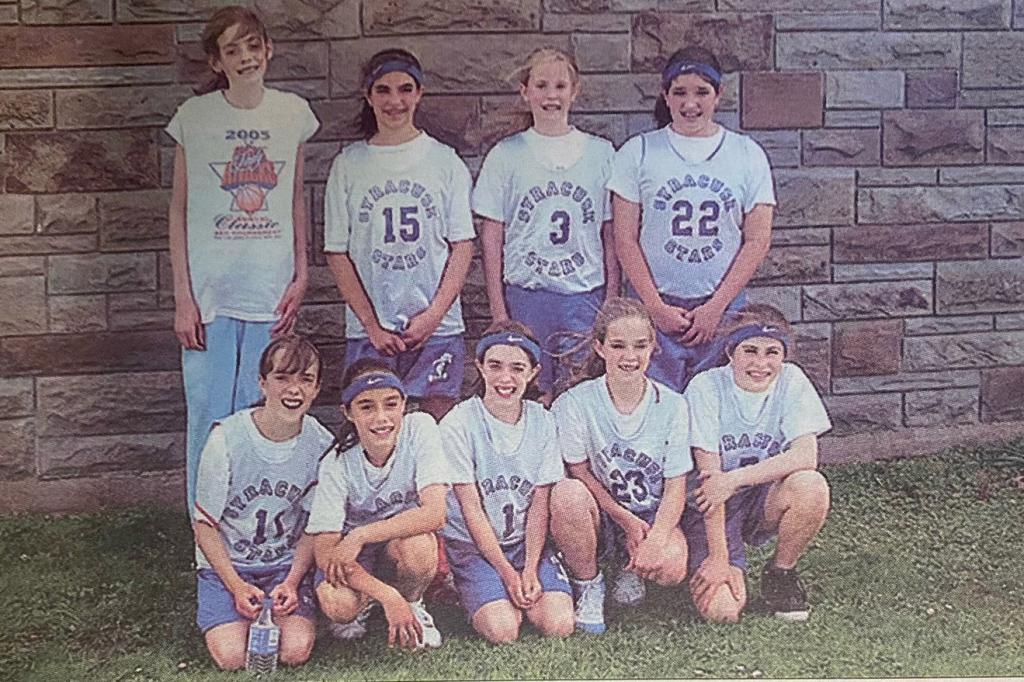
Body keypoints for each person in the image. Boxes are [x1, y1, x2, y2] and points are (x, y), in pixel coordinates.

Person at [167, 5, 319, 513]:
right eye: (232, 50)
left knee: (264, 412)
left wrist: (302, 272)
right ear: (217, 61)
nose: (246, 57)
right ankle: (205, 532)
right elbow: (179, 208)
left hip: (269, 293)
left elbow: (296, 197)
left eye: (253, 46)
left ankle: (259, 520)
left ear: (268, 49)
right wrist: (183, 298)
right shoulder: (195, 118)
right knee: (210, 415)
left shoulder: (292, 112)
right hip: (209, 298)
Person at [607, 46, 775, 393]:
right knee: (650, 404)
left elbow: (757, 238)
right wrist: (654, 306)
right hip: (654, 304)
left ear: (718, 95)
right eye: (680, 92)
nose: (690, 103)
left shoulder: (746, 154)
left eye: (701, 92)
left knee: (714, 406)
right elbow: (624, 237)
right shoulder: (638, 152)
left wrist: (716, 307)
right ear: (665, 94)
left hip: (722, 307)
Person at [324, 48, 474, 421]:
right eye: (384, 90)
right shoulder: (348, 165)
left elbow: (462, 246)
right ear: (368, 95)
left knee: (440, 429)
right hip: (372, 331)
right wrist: (371, 325)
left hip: (436, 326)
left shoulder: (445, 161)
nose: (395, 101)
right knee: (377, 430)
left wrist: (434, 314)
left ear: (419, 93)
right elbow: (336, 252)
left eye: (405, 89)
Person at [474, 48, 619, 404]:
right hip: (527, 295)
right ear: (525, 91)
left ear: (575, 90)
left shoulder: (601, 153)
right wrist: (498, 308)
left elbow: (610, 234)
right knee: (530, 394)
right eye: (541, 85)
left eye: (559, 85)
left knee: (580, 395)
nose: (551, 95)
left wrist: (611, 296)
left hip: (582, 295)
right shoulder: (506, 155)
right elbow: (492, 237)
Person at [680, 304, 832, 623]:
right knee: (723, 612)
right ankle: (706, 559)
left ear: (784, 355)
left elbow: (806, 456)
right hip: (709, 506)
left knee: (811, 485)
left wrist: (735, 479)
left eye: (772, 352)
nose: (761, 364)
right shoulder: (706, 386)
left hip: (756, 496)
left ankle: (781, 573)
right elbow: (710, 483)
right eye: (750, 350)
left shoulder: (791, 380)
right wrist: (720, 558)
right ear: (731, 352)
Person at [549, 298, 692, 635]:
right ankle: (588, 581)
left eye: (640, 345)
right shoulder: (575, 403)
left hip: (649, 512)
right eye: (618, 345)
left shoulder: (672, 405)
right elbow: (579, 471)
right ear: (599, 347)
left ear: (653, 347)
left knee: (670, 567)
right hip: (601, 511)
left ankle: (632, 569)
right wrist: (623, 518)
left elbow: (675, 485)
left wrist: (654, 537)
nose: (630, 356)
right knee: (567, 494)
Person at [192, 334, 332, 671]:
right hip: (230, 564)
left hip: (284, 564)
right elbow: (204, 525)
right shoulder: (226, 438)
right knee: (231, 657)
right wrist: (236, 585)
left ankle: (278, 609)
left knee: (295, 651)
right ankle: (237, 610)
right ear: (262, 383)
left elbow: (314, 525)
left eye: (305, 379)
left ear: (316, 388)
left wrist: (293, 580)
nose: (294, 390)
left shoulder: (321, 443)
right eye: (282, 378)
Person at [440, 323, 575, 644]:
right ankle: (469, 587)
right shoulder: (458, 424)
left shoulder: (542, 420)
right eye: (495, 365)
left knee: (559, 624)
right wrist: (506, 572)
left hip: (524, 543)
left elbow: (541, 502)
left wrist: (528, 568)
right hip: (473, 546)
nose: (505, 378)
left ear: (533, 372)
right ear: (480, 366)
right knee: (503, 630)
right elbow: (470, 509)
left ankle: (520, 584)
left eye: (517, 368)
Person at [306, 360, 450, 650]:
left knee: (420, 545)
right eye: (366, 407)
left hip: (389, 542)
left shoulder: (420, 428)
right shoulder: (336, 462)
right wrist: (387, 596)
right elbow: (324, 552)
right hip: (352, 557)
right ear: (348, 412)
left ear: (404, 404)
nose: (381, 418)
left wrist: (361, 534)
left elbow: (435, 514)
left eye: (390, 404)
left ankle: (414, 603)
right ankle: (373, 600)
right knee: (338, 606)